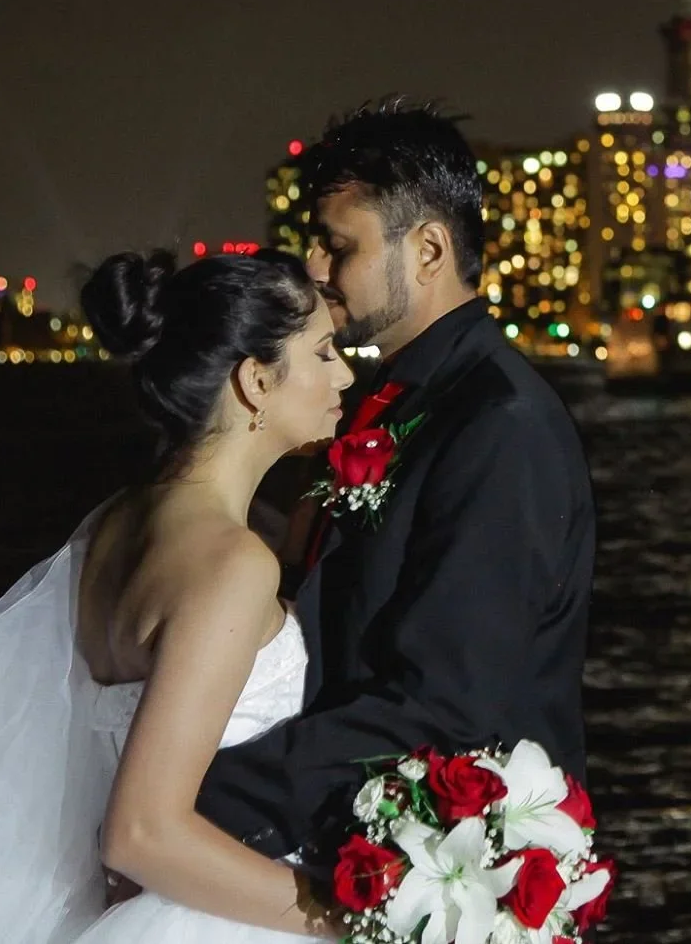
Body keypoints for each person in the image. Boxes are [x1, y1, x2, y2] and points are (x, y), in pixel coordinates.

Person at [0, 247, 356, 940]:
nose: (345, 372)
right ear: (256, 379)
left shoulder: (114, 523)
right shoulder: (232, 563)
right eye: (323, 352)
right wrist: (342, 917)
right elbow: (141, 830)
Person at [197, 99, 596, 859]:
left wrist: (202, 797)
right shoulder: (393, 400)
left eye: (336, 245)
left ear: (428, 249)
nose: (314, 268)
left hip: (449, 866)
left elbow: (447, 704)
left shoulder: (499, 426)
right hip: (354, 829)